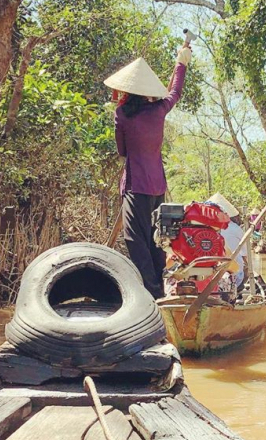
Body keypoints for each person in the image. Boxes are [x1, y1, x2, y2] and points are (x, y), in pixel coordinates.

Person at [104, 46, 192, 299]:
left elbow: (123, 150)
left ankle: (152, 292)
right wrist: (181, 62)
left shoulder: (121, 115)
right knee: (156, 239)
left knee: (135, 238)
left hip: (135, 184)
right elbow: (174, 91)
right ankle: (160, 289)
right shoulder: (159, 110)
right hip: (157, 186)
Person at [207, 193, 248, 291]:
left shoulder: (201, 232)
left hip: (212, 276)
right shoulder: (236, 228)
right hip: (228, 275)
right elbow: (245, 254)